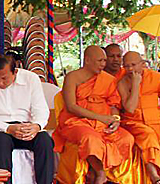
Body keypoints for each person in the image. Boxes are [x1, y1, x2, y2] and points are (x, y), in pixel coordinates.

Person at [54, 45, 134, 184]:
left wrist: (115, 120)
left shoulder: (108, 79)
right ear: (88, 60)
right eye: (100, 61)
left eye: (104, 60)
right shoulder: (72, 77)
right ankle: (100, 173)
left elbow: (113, 104)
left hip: (103, 123)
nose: (104, 64)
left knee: (126, 138)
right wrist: (100, 118)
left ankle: (114, 177)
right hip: (76, 122)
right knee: (90, 139)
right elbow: (71, 106)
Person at [0, 56, 55, 184]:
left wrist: (36, 126)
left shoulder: (31, 79)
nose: (0, 83)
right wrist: (7, 128)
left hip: (24, 126)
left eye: (4, 78)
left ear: (15, 72)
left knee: (44, 140)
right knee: (2, 141)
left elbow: (40, 109)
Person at [117, 51, 160, 184]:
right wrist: (135, 85)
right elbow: (129, 108)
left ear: (143, 64)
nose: (130, 69)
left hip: (158, 120)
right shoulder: (122, 83)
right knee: (148, 135)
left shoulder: (157, 78)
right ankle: (155, 176)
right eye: (127, 66)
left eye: (134, 65)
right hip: (133, 122)